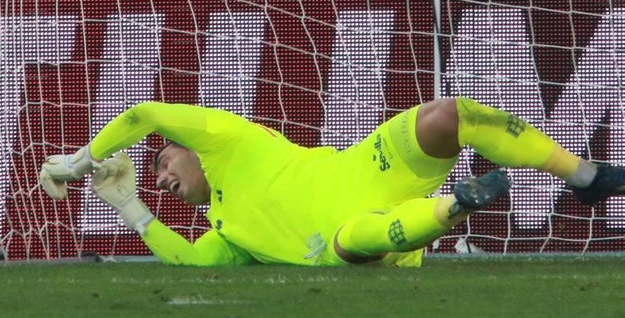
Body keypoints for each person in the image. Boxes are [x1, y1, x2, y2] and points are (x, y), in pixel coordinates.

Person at [40, 98, 625, 266]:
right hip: (359, 239)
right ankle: (454, 208)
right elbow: (194, 265)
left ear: (194, 149)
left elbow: (143, 114)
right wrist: (129, 206)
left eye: (165, 163)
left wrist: (78, 160)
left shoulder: (228, 139)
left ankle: (585, 174)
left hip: (356, 170)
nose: (161, 177)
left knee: (445, 117)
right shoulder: (226, 229)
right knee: (353, 241)